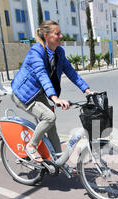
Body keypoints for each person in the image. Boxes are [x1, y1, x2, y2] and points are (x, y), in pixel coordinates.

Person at [11, 20, 93, 164]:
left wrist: (87, 90)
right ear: (47, 36)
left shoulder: (59, 52)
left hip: (38, 93)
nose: (61, 36)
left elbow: (71, 72)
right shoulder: (36, 52)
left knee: (52, 125)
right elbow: (42, 75)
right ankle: (31, 146)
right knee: (49, 117)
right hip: (23, 94)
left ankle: (58, 162)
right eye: (57, 33)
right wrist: (55, 98)